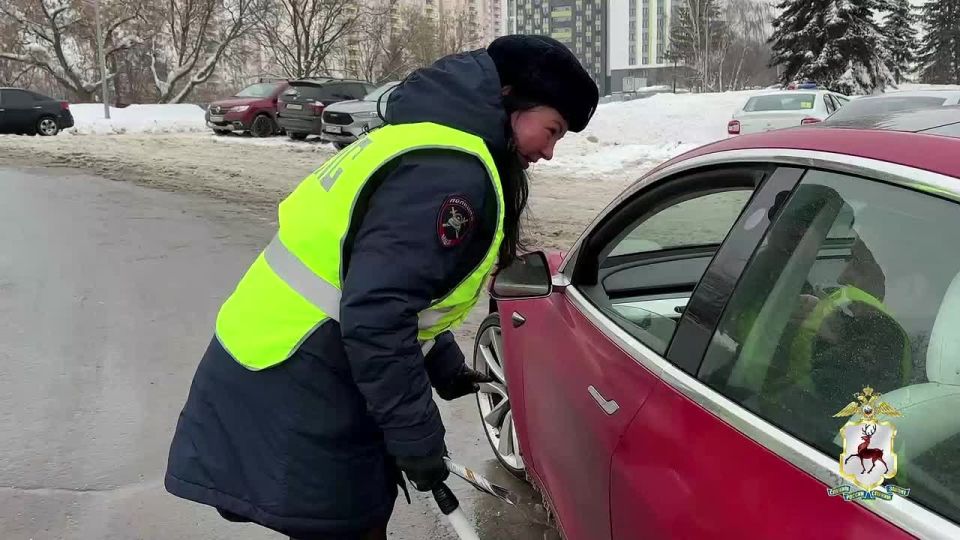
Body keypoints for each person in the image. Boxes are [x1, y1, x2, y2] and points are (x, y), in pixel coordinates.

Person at [163, 34, 599, 540]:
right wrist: (417, 438)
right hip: (301, 377)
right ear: (509, 98)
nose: (547, 151)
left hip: (282, 356)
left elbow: (396, 288)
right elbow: (377, 314)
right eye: (552, 130)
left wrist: (442, 363)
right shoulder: (450, 174)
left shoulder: (424, 141)